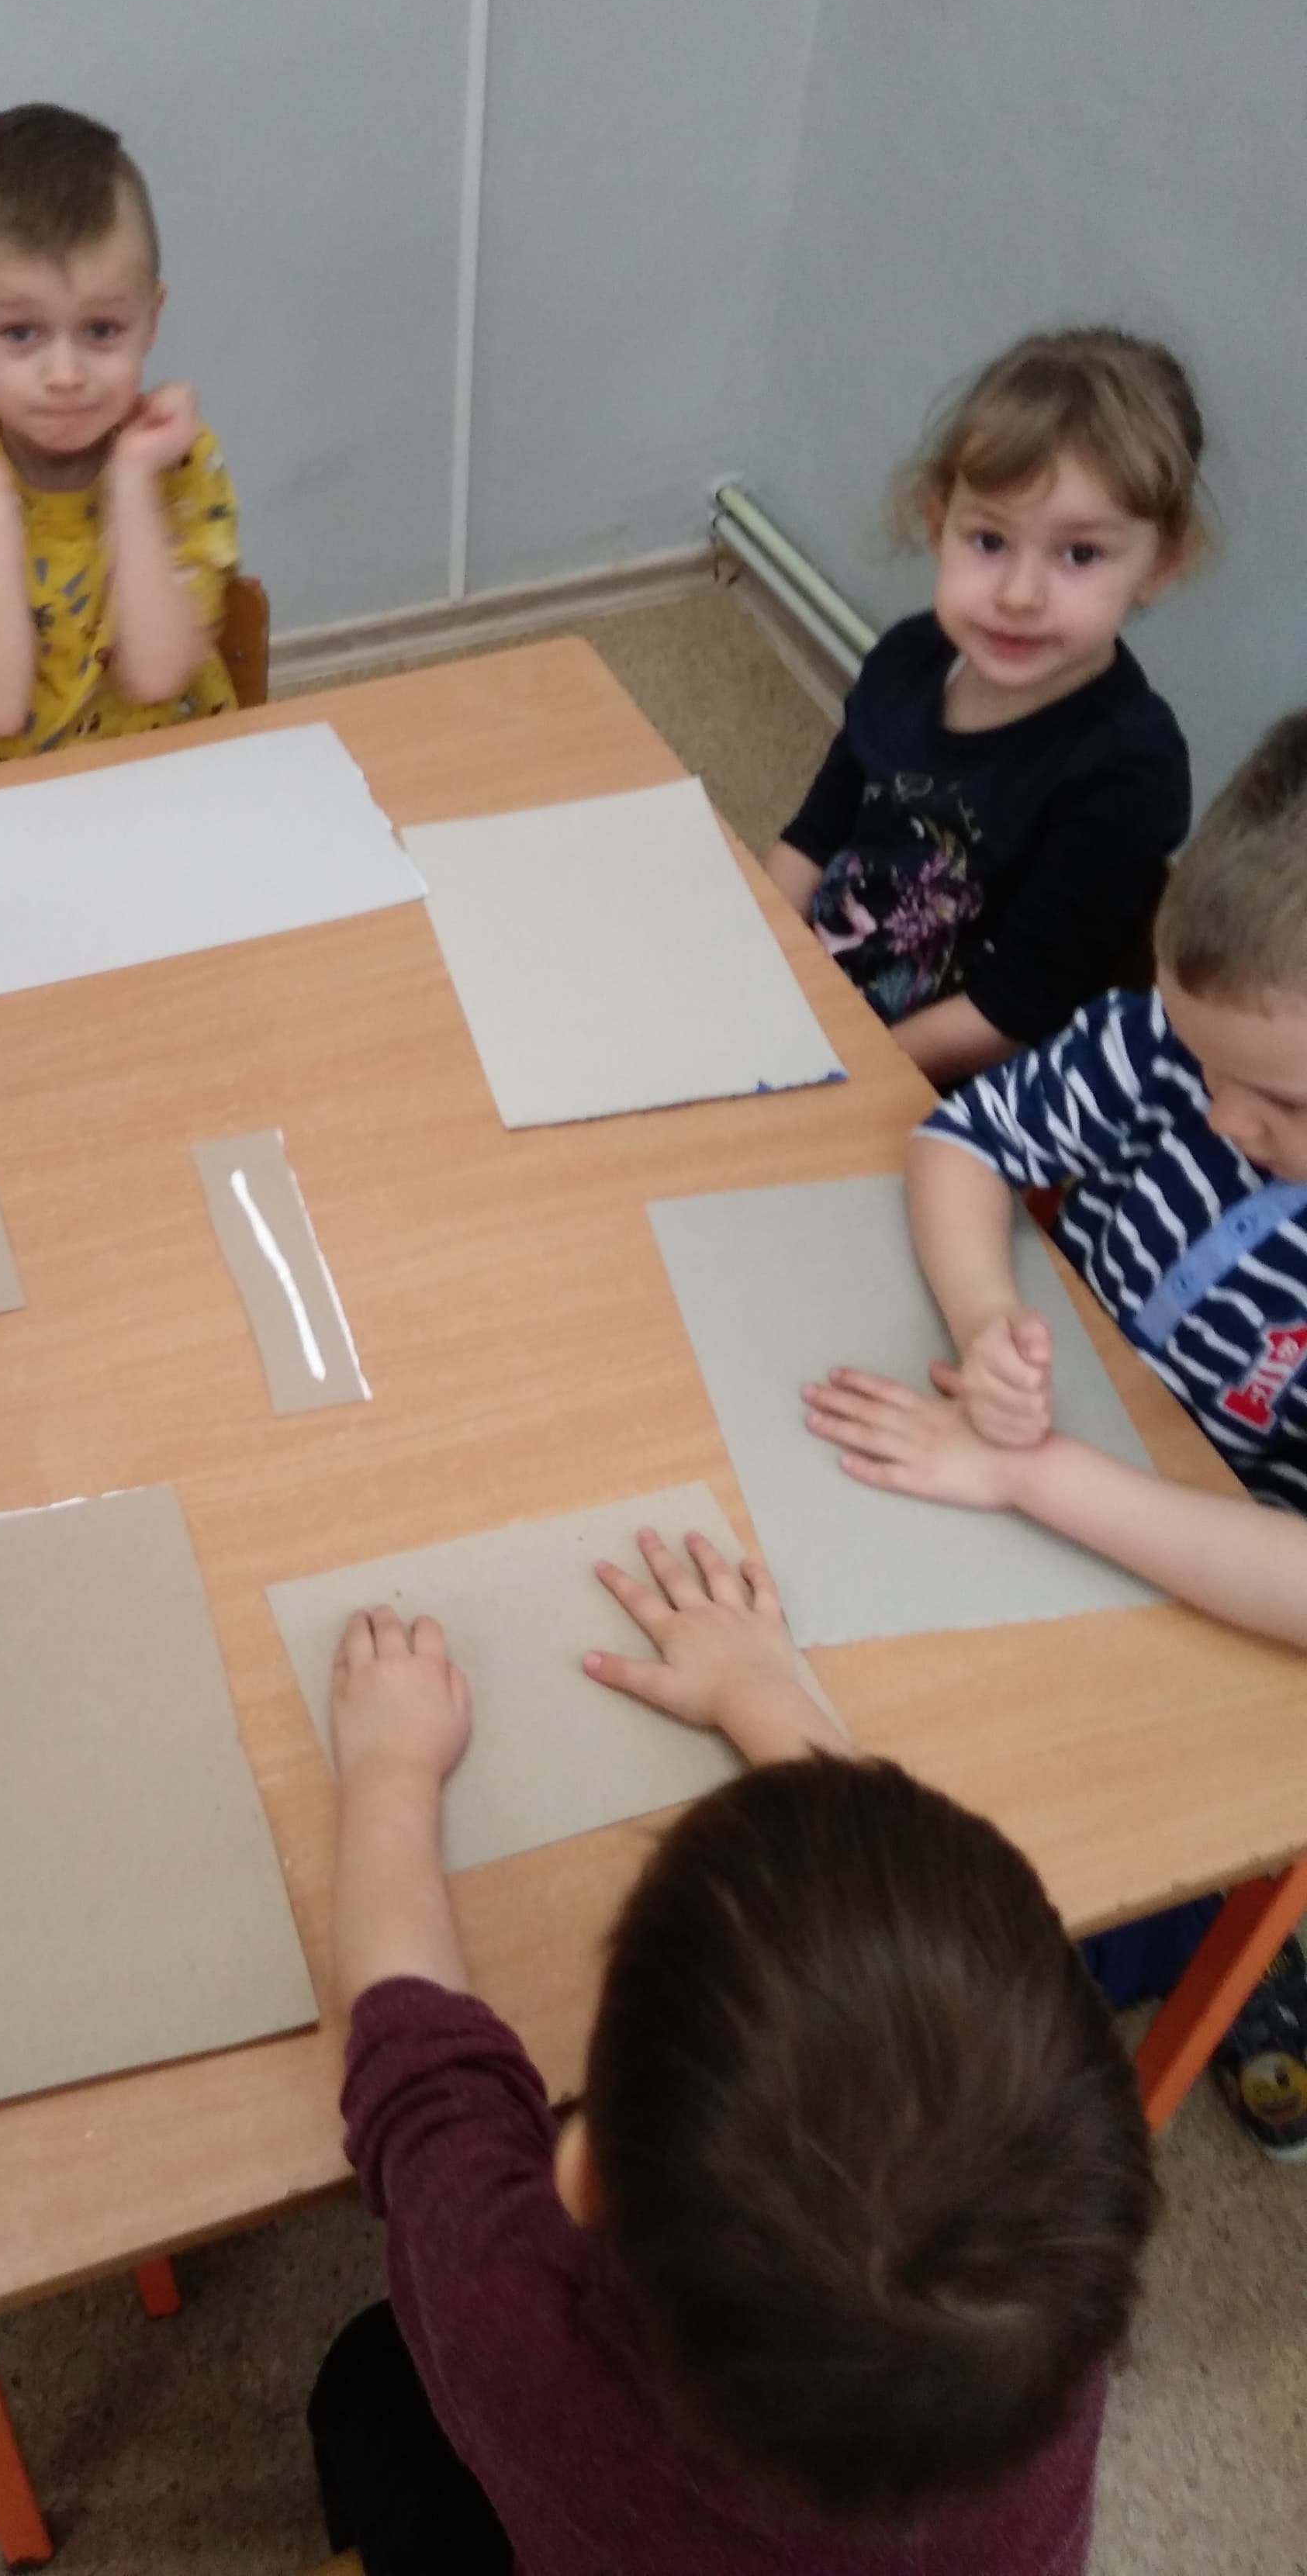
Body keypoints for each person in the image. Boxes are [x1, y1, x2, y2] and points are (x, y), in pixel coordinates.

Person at [310, 1531, 1154, 2575]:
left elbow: (419, 2071)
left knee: (365, 2387)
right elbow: (921, 1950)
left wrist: (388, 1770)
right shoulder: (1042, 2317)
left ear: (578, 2169)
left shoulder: (519, 2338)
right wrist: (760, 1688)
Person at [802, 1356, 1307, 2159]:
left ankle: (1193, 1934)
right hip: (1115, 1444)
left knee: (1078, 1866)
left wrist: (1029, 1470)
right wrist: (993, 1334)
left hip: (1242, 1605)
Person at [765, 327, 1198, 1087]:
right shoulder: (909, 657)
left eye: (1079, 554)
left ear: (1160, 564)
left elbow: (1009, 1015)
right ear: (940, 525)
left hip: (937, 1082)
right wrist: (753, 956)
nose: (1018, 595)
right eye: (989, 540)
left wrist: (835, 1073)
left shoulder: (1128, 769)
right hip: (815, 998)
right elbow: (811, 839)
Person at [905, 709, 1307, 1520]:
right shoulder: (1168, 1039)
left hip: (1186, 1536)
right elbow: (965, 1138)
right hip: (1044, 1414)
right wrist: (985, 1316)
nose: (1225, 1118)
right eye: (1207, 1062)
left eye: (1289, 1103)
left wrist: (1033, 1479)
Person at [0, 101, 239, 778]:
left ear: (150, 319)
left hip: (167, 781)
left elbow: (158, 675)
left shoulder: (178, 457)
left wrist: (132, 481)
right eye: (21, 333)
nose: (65, 376)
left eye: (102, 330)